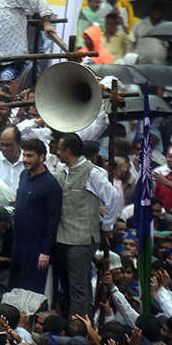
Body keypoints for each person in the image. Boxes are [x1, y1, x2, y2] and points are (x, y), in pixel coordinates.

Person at [54, 133, 121, 318]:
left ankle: (80, 329)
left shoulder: (92, 172)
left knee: (78, 287)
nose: (57, 152)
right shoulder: (62, 170)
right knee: (67, 286)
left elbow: (113, 197)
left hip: (82, 239)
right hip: (62, 237)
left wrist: (107, 226)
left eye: (60, 149)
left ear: (68, 150)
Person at [9, 139, 62, 302]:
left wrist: (45, 252)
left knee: (32, 294)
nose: (25, 159)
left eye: (29, 156)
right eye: (24, 155)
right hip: (18, 243)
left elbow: (53, 220)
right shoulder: (23, 175)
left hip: (37, 247)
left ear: (41, 157)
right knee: (15, 290)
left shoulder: (51, 185)